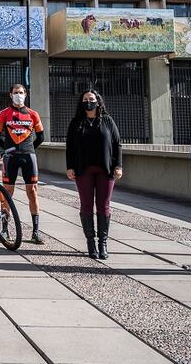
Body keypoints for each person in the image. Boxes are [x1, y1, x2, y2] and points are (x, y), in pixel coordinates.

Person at [65, 90, 122, 259]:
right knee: (86, 205)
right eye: (85, 99)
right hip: (83, 170)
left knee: (104, 206)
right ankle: (91, 243)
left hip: (106, 169)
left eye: (91, 99)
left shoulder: (108, 121)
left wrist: (118, 165)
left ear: (98, 102)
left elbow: (117, 143)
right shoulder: (76, 122)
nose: (88, 102)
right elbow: (70, 147)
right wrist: (70, 167)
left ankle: (102, 243)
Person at [0, 84, 46, 243]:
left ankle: (35, 232)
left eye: (21, 92)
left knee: (33, 191)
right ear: (10, 95)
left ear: (26, 94)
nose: (19, 95)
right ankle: (4, 229)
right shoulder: (4, 113)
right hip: (11, 158)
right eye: (16, 92)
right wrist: (7, 149)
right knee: (7, 192)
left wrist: (29, 149)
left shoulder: (33, 114)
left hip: (28, 156)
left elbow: (41, 136)